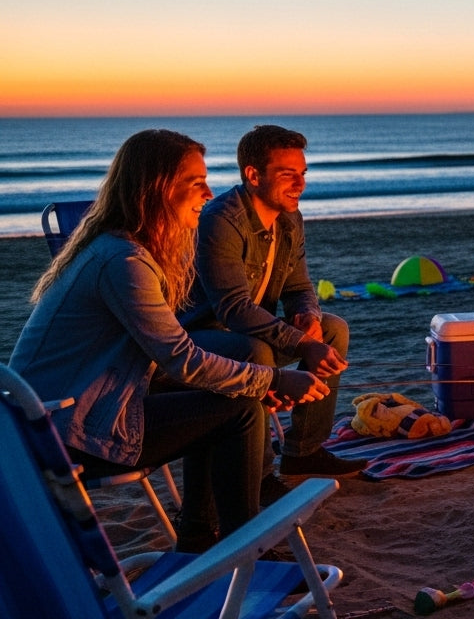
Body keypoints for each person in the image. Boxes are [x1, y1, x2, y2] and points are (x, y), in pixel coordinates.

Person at [7, 129, 329, 553]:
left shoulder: (123, 249)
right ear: (157, 189)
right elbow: (182, 359)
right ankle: (245, 550)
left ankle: (201, 537)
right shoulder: (123, 262)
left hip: (70, 414)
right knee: (240, 412)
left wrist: (250, 380)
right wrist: (270, 380)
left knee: (227, 399)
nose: (209, 192)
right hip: (70, 432)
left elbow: (165, 358)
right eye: (195, 183)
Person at [180, 125, 366, 483]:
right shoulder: (220, 219)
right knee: (256, 351)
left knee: (332, 328)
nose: (300, 184)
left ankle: (304, 452)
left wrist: (307, 317)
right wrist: (301, 342)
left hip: (253, 333)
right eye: (287, 174)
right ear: (253, 175)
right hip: (201, 339)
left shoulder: (290, 218)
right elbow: (232, 309)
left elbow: (298, 286)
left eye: (302, 174)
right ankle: (260, 475)